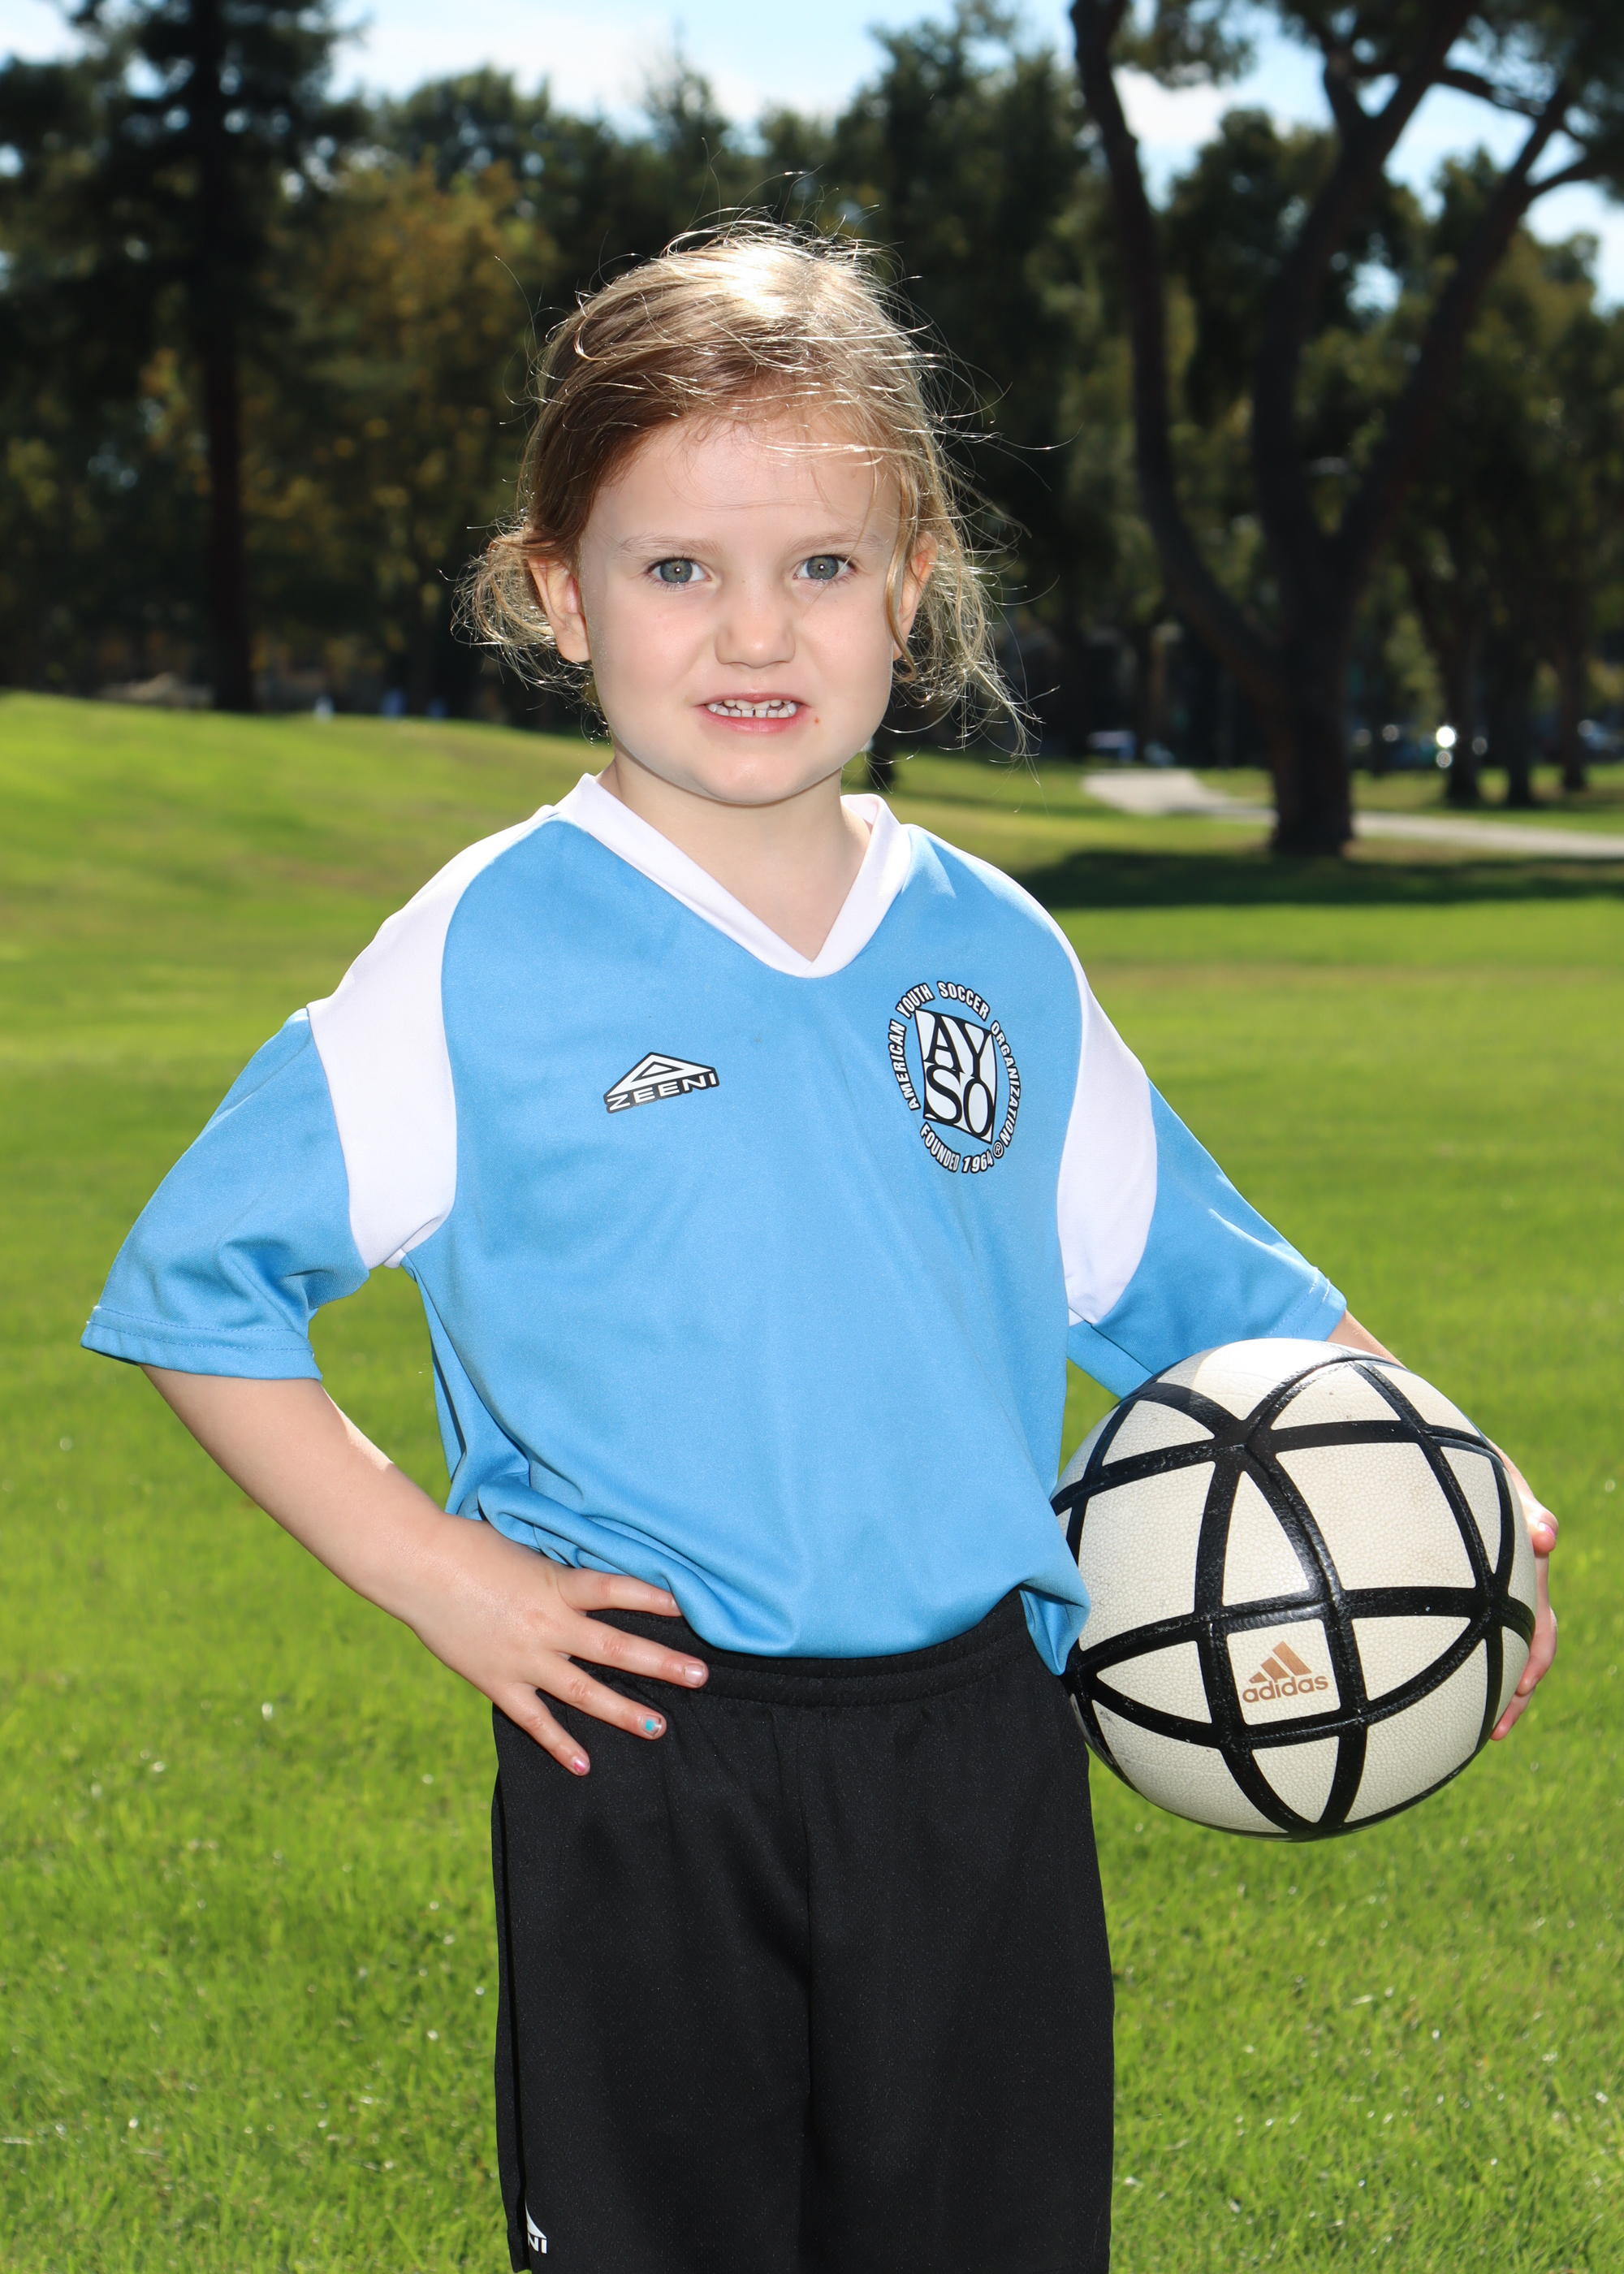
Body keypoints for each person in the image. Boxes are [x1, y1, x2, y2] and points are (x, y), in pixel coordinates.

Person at [82, 227, 1557, 2274]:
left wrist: (1447, 1494)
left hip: (984, 1741)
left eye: (823, 564)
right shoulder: (487, 948)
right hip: (645, 1743)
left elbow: (1207, 1294)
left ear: (912, 583)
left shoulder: (992, 950)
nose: (752, 626)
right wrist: (451, 1581)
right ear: (558, 589)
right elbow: (199, 1290)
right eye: (677, 566)